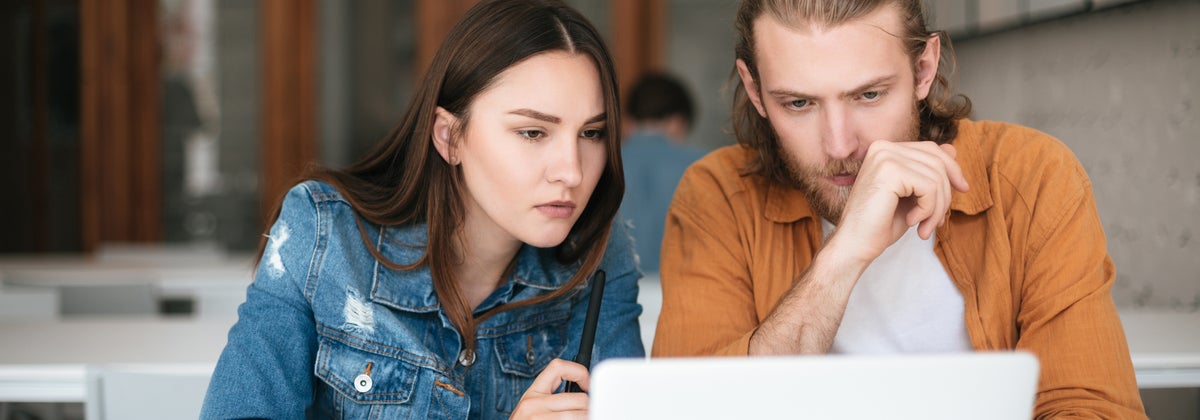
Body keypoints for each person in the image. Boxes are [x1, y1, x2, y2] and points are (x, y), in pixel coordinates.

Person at [651, 0, 1146, 417]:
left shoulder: (1034, 176)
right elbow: (687, 409)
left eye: (869, 95)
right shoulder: (716, 196)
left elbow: (1093, 407)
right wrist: (843, 256)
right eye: (799, 104)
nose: (840, 145)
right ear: (755, 90)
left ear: (924, 69)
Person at [200, 1, 644, 418]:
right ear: (449, 137)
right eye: (532, 132)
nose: (571, 171)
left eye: (591, 134)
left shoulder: (600, 253)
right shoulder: (324, 236)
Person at [619, 73, 706, 273]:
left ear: (629, 121)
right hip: (682, 292)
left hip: (608, 294)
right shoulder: (706, 166)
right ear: (678, 122)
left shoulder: (598, 164)